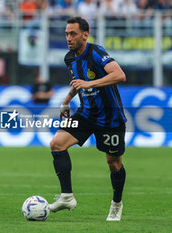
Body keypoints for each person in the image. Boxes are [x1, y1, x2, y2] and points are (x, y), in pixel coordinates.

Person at [48, 17, 127, 221]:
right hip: (86, 113)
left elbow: (119, 75)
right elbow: (78, 83)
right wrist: (66, 100)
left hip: (110, 116)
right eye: (66, 34)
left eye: (73, 33)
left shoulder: (97, 53)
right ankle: (67, 196)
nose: (68, 38)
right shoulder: (69, 58)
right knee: (57, 144)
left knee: (113, 162)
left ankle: (116, 204)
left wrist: (90, 84)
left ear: (85, 34)